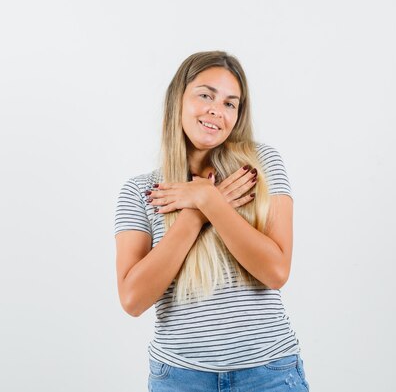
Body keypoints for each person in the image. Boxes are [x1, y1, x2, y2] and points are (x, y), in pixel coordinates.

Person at [114, 50, 310, 392]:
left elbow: (276, 272)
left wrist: (209, 199)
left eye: (230, 103)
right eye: (206, 95)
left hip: (269, 374)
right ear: (178, 98)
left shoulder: (260, 166)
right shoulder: (142, 192)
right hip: (179, 379)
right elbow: (133, 300)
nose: (217, 110)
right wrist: (195, 214)